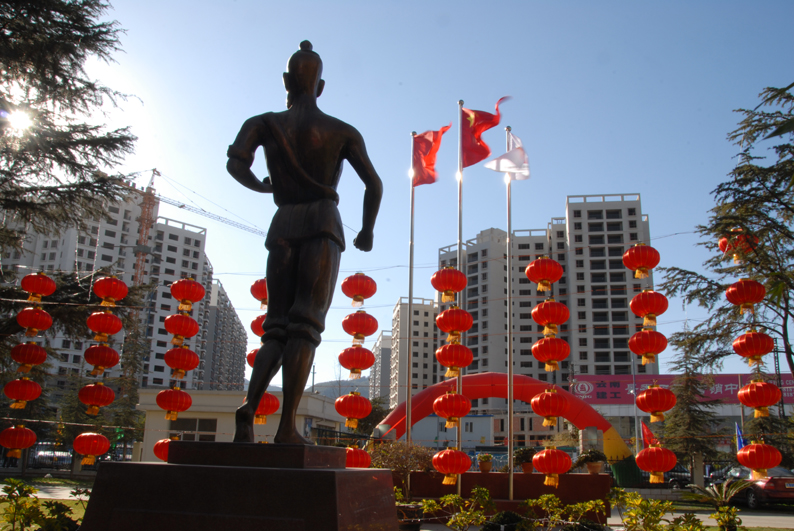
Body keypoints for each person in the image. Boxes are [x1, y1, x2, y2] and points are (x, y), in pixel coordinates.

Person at [226, 41, 382, 444]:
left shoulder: (263, 123)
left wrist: (263, 187)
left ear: (286, 82)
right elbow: (374, 184)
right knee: (305, 325)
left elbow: (236, 163)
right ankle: (286, 428)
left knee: (275, 326)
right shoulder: (342, 131)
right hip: (322, 223)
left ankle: (249, 407)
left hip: (283, 221)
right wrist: (366, 230)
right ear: (321, 86)